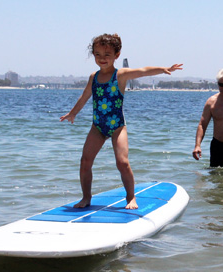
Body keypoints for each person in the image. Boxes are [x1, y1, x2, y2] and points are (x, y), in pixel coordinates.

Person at [61, 33, 182, 209]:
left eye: (107, 55)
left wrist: (163, 68)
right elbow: (84, 97)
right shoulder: (93, 77)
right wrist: (73, 113)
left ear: (116, 56)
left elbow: (142, 71)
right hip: (98, 127)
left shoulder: (120, 75)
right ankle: (86, 198)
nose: (102, 59)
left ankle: (131, 197)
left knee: (122, 162)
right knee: (85, 161)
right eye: (98, 55)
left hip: (117, 126)